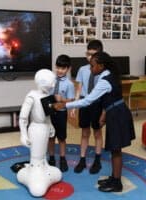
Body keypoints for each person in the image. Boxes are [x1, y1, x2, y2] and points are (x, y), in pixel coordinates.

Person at [53, 52, 136, 192]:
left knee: (116, 150)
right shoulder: (108, 74)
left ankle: (117, 183)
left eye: (92, 66)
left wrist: (64, 105)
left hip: (117, 115)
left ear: (101, 66)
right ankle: (114, 177)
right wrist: (105, 113)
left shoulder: (104, 81)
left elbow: (88, 100)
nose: (90, 69)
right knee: (115, 149)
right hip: (115, 111)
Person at [17, 69, 62, 197]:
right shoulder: (32, 96)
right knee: (36, 155)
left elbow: (47, 114)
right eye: (51, 83)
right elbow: (23, 117)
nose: (53, 86)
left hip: (45, 128)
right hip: (36, 129)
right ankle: (34, 171)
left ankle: (44, 166)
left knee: (43, 154)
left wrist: (50, 125)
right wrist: (24, 134)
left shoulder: (46, 96)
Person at [72, 39, 104, 174]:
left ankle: (97, 160)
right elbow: (79, 89)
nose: (89, 57)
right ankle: (82, 159)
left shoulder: (103, 71)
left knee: (97, 132)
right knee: (85, 132)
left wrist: (104, 110)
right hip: (85, 102)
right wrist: (74, 105)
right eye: (88, 54)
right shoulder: (82, 69)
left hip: (97, 102)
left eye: (93, 54)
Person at [48, 54, 75, 172]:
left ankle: (63, 159)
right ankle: (52, 158)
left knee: (62, 138)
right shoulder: (50, 81)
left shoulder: (69, 84)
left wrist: (62, 99)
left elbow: (71, 99)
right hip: (50, 113)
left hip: (61, 113)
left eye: (63, 68)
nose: (59, 71)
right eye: (58, 67)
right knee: (51, 137)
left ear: (68, 69)